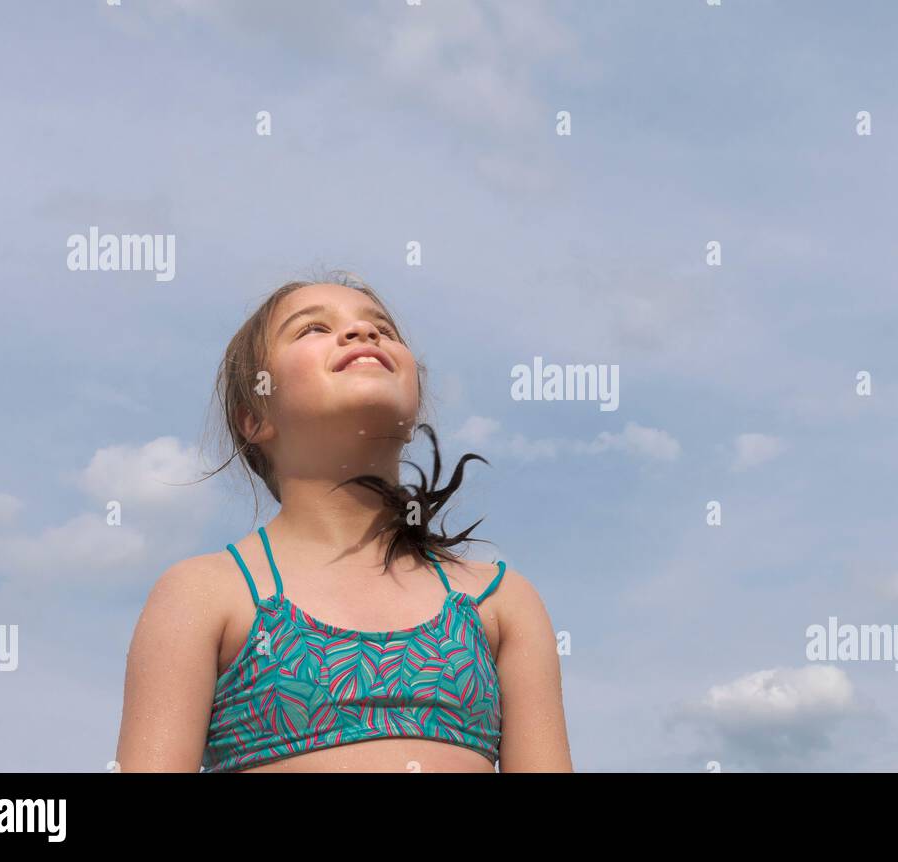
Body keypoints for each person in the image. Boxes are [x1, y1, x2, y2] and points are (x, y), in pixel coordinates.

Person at [115, 271, 572, 772]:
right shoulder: (205, 593)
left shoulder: (499, 601)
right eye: (312, 329)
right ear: (255, 418)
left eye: (383, 328)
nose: (364, 334)